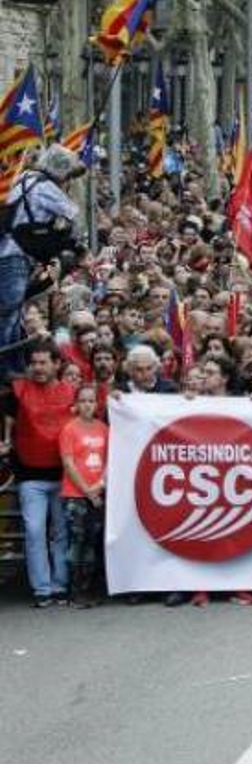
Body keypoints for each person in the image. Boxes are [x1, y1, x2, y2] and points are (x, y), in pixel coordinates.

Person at [1, 342, 77, 605]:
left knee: (61, 532)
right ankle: (42, 588)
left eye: (43, 362)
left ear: (57, 364)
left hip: (64, 475)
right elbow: (9, 423)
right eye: (33, 363)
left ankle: (60, 584)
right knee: (34, 532)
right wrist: (6, 441)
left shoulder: (73, 392)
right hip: (29, 475)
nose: (38, 367)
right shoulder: (17, 391)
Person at [0, 145, 85, 378]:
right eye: (68, 174)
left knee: (13, 313)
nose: (68, 180)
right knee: (9, 314)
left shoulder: (25, 177)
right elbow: (73, 214)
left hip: (10, 251)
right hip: (15, 255)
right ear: (60, 169)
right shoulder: (45, 186)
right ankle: (5, 368)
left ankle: (15, 365)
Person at [59, 382, 109, 607]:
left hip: (98, 493)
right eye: (83, 401)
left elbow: (109, 461)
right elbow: (68, 464)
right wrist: (88, 490)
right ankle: (74, 591)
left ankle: (88, 589)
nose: (87, 405)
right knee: (76, 541)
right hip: (75, 495)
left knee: (91, 541)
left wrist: (99, 486)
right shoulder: (69, 429)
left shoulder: (103, 429)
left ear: (97, 404)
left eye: (91, 400)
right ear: (76, 404)